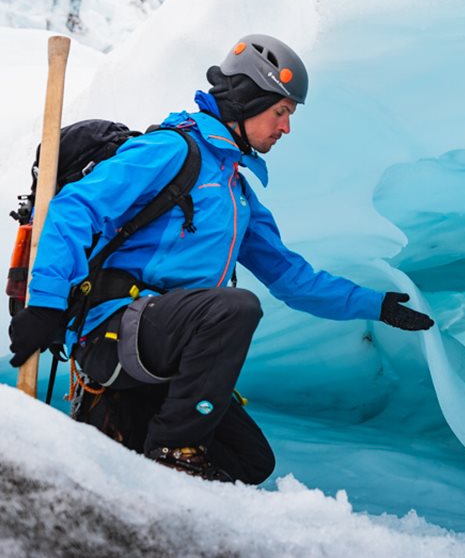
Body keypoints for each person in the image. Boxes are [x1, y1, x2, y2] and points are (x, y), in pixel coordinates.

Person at [7, 34, 434, 483]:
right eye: (281, 112)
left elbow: (290, 276)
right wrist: (46, 305)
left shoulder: (237, 194)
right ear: (251, 99)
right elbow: (75, 208)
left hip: (166, 351)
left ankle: (135, 441)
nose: (286, 128)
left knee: (250, 462)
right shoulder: (171, 150)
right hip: (115, 333)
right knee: (234, 307)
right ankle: (172, 451)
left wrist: (375, 305)